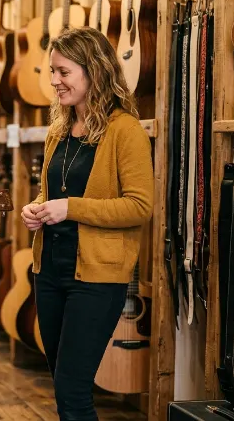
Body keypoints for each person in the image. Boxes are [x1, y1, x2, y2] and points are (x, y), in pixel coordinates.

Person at [20, 27, 154, 420]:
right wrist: (39, 207)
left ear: (93, 70)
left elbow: (139, 206)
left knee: (74, 390)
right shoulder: (59, 129)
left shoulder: (125, 130)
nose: (54, 81)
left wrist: (70, 208)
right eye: (52, 71)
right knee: (61, 384)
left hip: (97, 280)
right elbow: (56, 193)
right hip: (49, 271)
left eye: (64, 72)